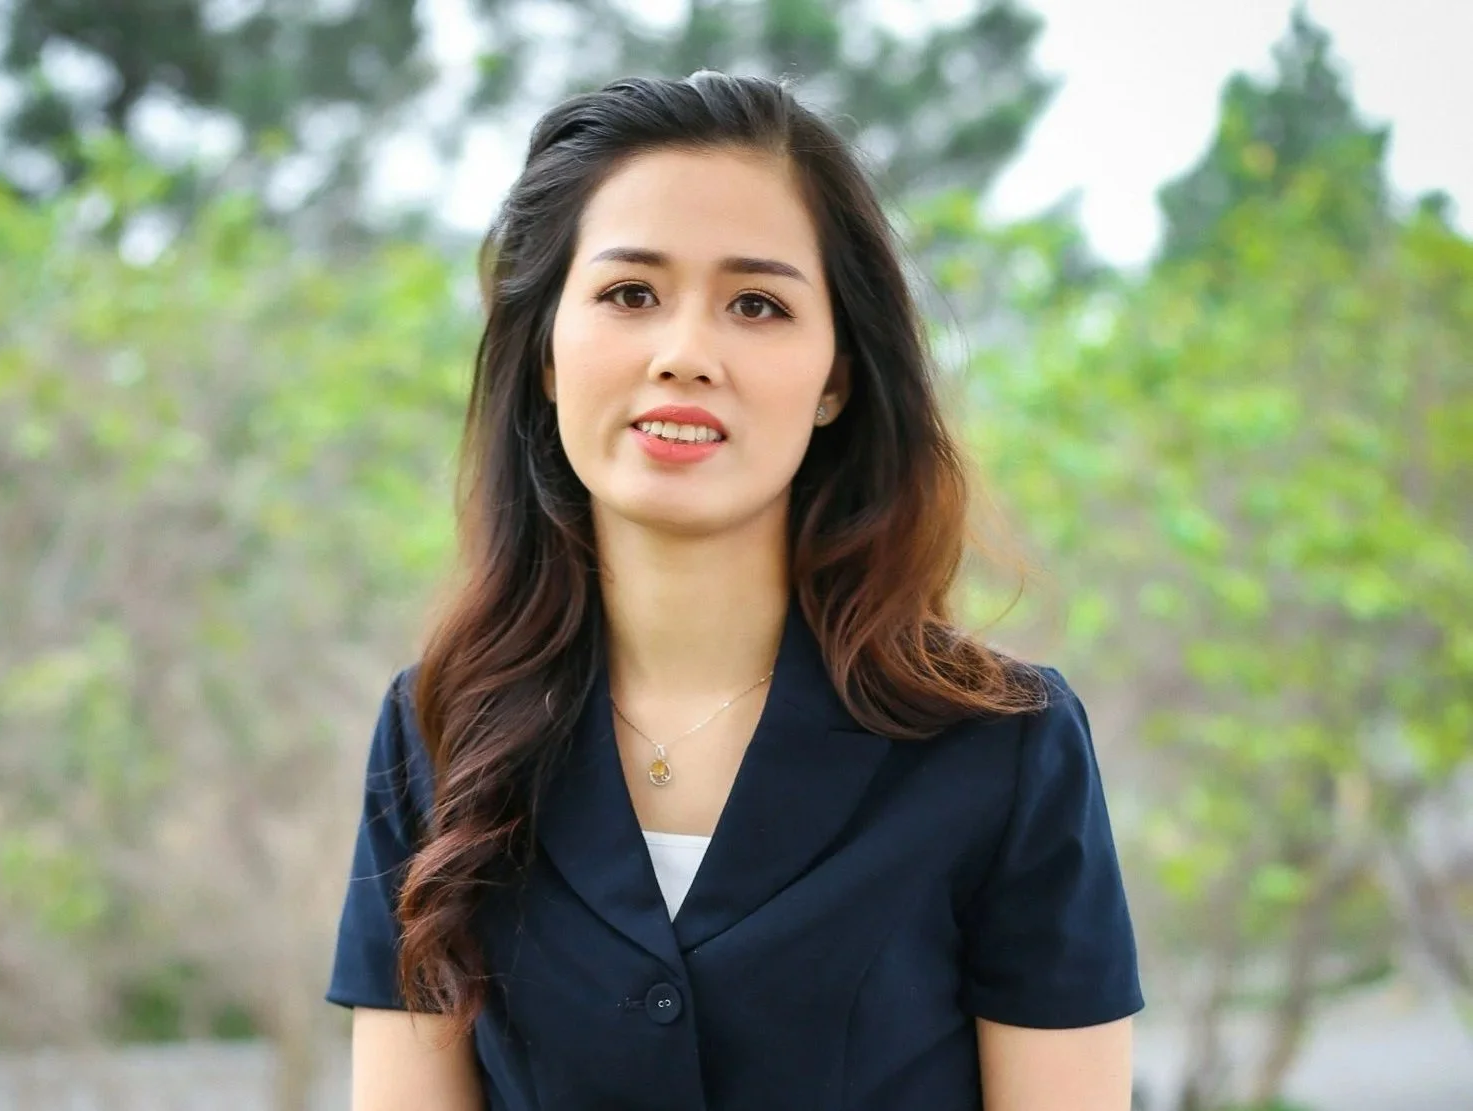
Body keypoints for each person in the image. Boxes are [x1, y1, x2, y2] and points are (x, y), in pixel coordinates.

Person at [327, 71, 1143, 1110]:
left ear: (835, 376)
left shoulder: (1001, 746)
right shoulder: (440, 730)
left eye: (756, 304)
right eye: (630, 294)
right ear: (544, 353)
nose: (685, 355)